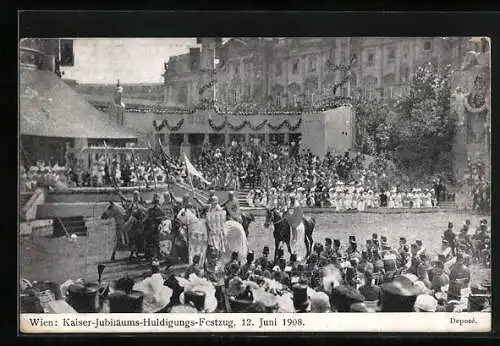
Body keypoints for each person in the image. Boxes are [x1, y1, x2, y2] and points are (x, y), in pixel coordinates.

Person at [144, 193, 166, 260]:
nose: (156, 203)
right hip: (151, 226)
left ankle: (160, 254)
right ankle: (149, 254)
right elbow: (147, 216)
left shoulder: (161, 209)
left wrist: (158, 218)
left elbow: (163, 216)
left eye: (157, 201)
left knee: (159, 241)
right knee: (148, 239)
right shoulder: (150, 209)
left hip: (158, 226)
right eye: (155, 201)